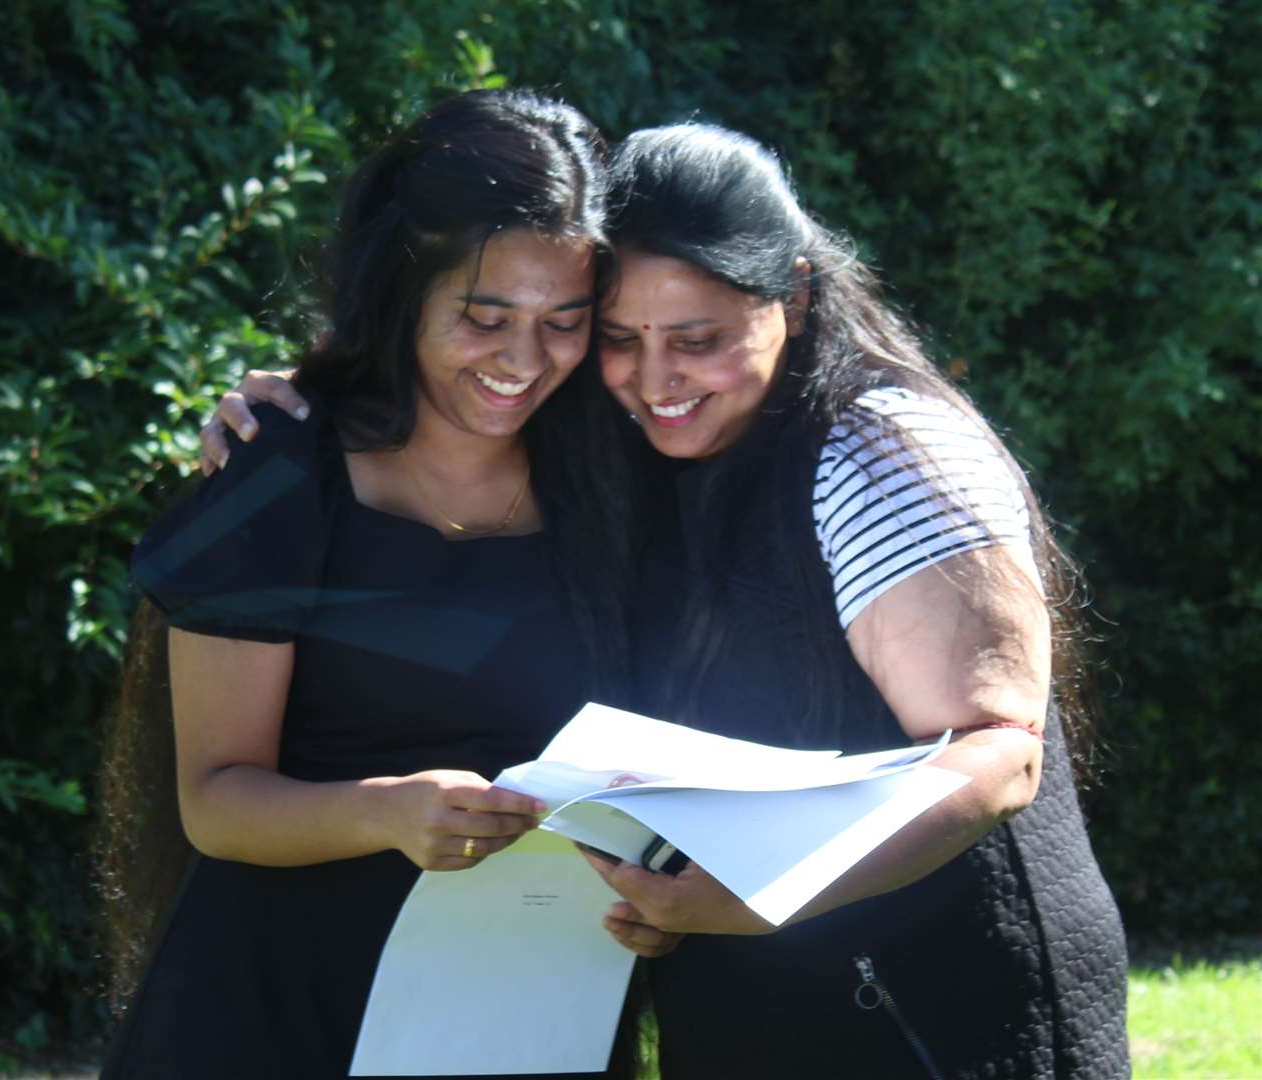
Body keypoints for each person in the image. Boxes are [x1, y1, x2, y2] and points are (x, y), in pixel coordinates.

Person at [203, 123, 1130, 1078]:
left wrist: (754, 898)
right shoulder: (615, 440)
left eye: (699, 340)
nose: (656, 380)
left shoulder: (880, 450)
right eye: (618, 339)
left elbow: (997, 753)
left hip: (937, 1010)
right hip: (744, 1012)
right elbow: (449, 369)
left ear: (798, 297)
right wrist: (307, 402)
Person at [97, 89, 642, 1079]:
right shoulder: (282, 469)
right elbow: (214, 800)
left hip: (523, 1016)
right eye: (485, 317)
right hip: (274, 1013)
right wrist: (387, 811)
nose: (526, 361)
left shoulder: (613, 475)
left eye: (565, 322)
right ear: (403, 289)